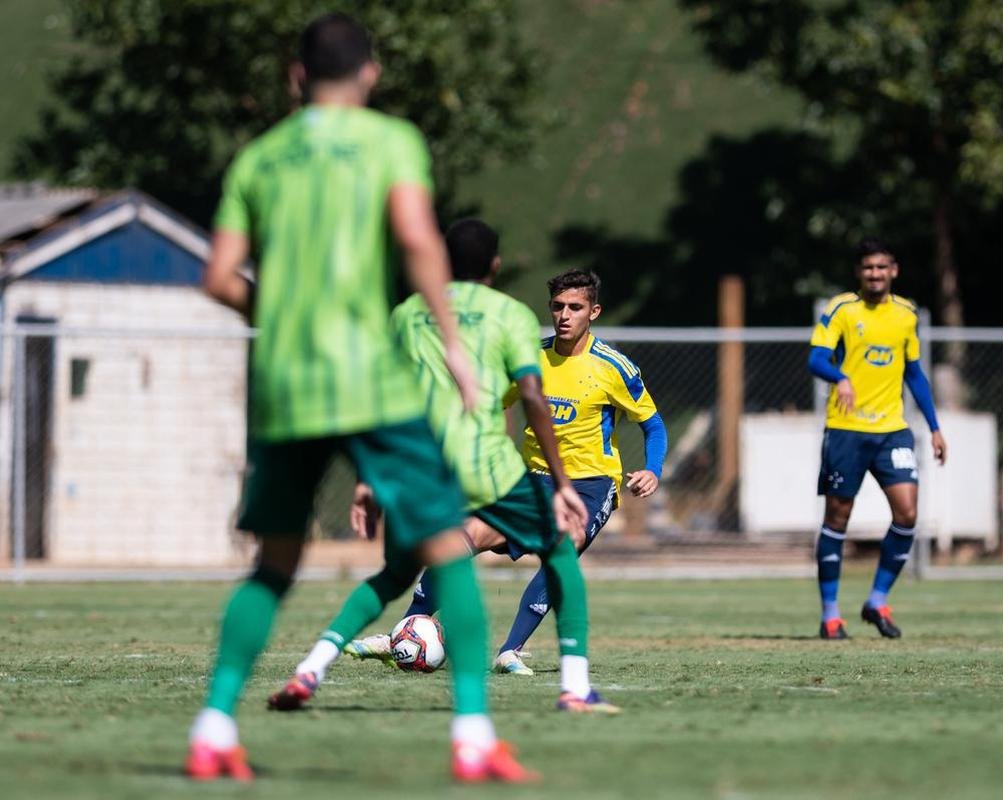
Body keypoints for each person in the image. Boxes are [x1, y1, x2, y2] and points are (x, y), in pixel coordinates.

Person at [186, 13, 531, 784]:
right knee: (447, 547)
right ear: (370, 74)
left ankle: (212, 730)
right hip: (368, 380)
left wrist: (273, 317)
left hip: (286, 383)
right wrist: (450, 337)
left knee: (274, 566)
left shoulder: (259, 158)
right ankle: (472, 739)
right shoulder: (390, 142)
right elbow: (415, 239)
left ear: (295, 77)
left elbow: (216, 277)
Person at [269, 220, 619, 717]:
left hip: (416, 465)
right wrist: (562, 483)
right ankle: (572, 689)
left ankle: (311, 667)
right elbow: (532, 395)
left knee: (395, 573)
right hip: (486, 467)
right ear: (495, 266)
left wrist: (368, 475)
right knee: (561, 553)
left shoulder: (409, 313)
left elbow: (380, 397)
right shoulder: (510, 315)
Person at [490, 269, 667, 674]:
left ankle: (510, 650)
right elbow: (489, 403)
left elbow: (653, 425)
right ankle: (410, 626)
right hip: (533, 479)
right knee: (469, 533)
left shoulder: (613, 367)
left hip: (591, 484)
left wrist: (653, 470)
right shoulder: (529, 359)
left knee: (562, 546)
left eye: (575, 307)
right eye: (557, 306)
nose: (564, 315)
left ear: (594, 311)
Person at [808, 237, 947, 640]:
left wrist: (935, 426)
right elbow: (815, 358)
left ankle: (877, 600)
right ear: (859, 272)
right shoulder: (841, 310)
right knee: (837, 519)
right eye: (868, 267)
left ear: (894, 271)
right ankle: (831, 615)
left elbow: (914, 373)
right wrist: (840, 376)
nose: (875, 274)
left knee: (907, 514)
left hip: (892, 430)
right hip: (847, 429)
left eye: (882, 267)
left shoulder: (907, 314)